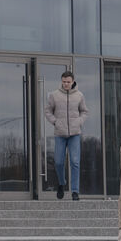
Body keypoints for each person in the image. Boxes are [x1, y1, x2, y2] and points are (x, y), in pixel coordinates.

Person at [44, 70, 90, 200]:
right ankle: (61, 183)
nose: (66, 84)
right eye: (64, 82)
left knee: (75, 162)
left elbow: (85, 111)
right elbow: (47, 111)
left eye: (68, 82)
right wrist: (55, 122)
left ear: (73, 81)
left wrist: (79, 121)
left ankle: (75, 191)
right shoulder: (54, 95)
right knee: (59, 162)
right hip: (60, 133)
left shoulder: (79, 95)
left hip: (75, 134)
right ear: (61, 81)